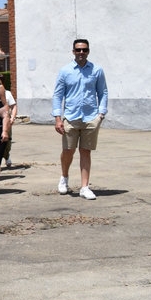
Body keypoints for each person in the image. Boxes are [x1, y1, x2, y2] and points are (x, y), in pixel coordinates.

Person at [52, 38, 108, 200]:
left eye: (84, 50)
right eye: (78, 50)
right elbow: (58, 95)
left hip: (91, 117)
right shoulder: (65, 71)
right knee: (68, 150)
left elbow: (102, 92)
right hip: (71, 116)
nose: (81, 53)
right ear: (73, 52)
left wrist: (101, 113)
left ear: (88, 51)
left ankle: (84, 187)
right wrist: (57, 118)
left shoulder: (97, 70)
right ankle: (64, 177)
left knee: (86, 151)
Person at [2, 88, 18, 168]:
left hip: (7, 120)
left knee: (7, 141)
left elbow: (13, 106)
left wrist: (12, 118)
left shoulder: (7, 93)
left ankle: (6, 155)